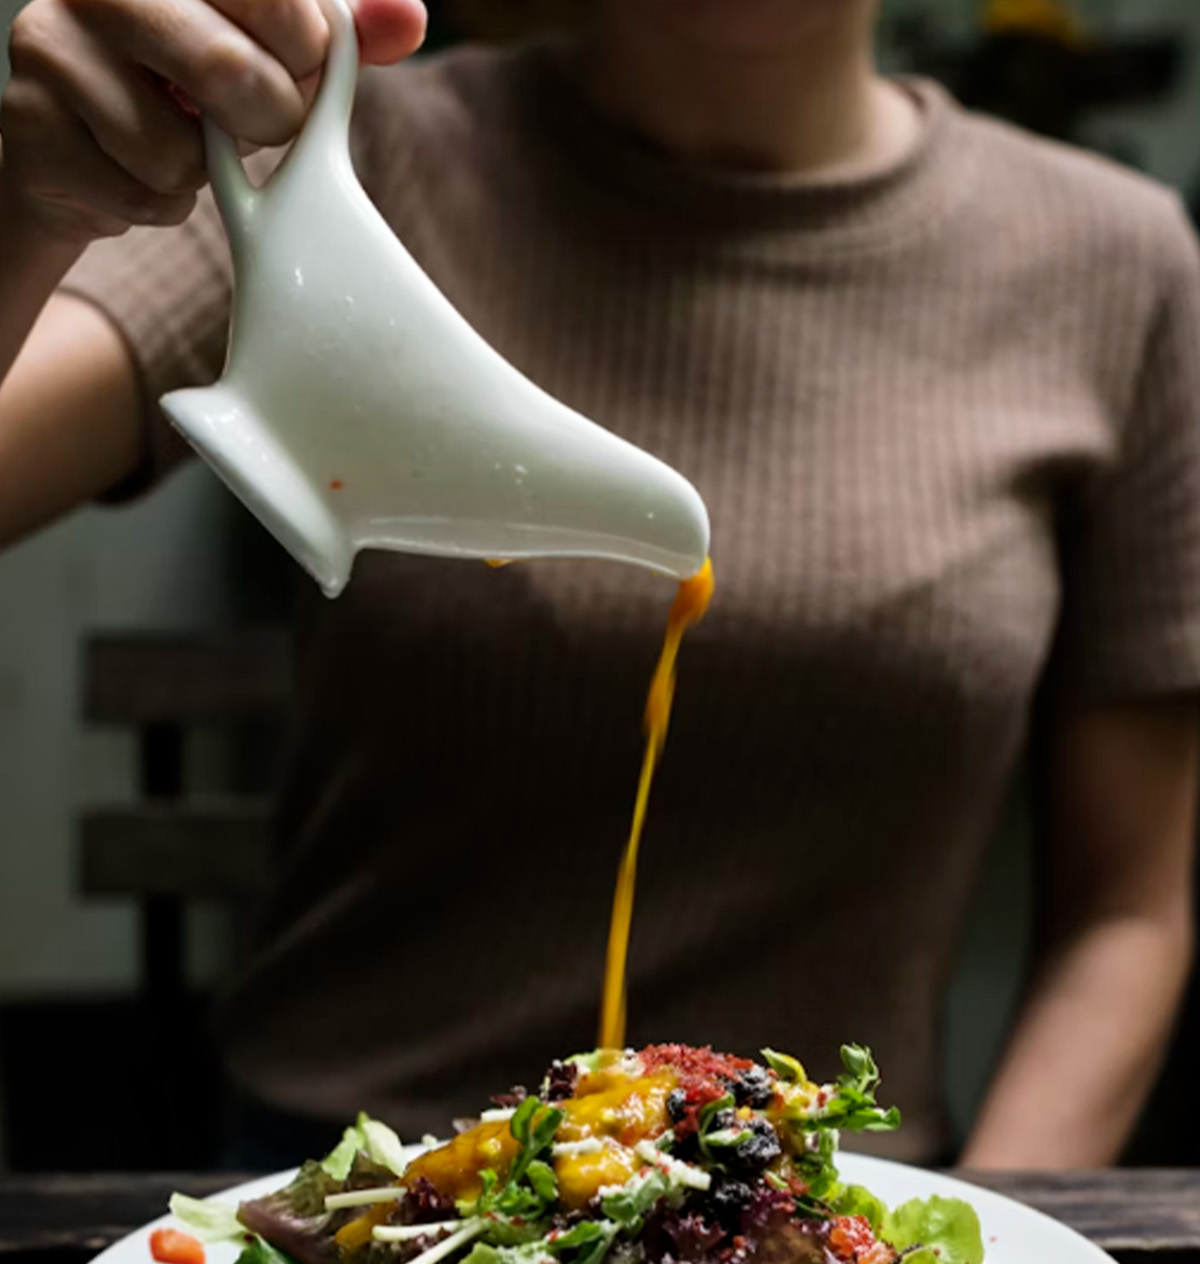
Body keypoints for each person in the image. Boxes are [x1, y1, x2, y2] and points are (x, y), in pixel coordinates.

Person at [1, 0, 1198, 1171]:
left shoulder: (1120, 262)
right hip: (347, 1190)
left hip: (834, 1218)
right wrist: (30, 209)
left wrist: (987, 1257)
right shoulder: (327, 157)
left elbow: (1128, 912)